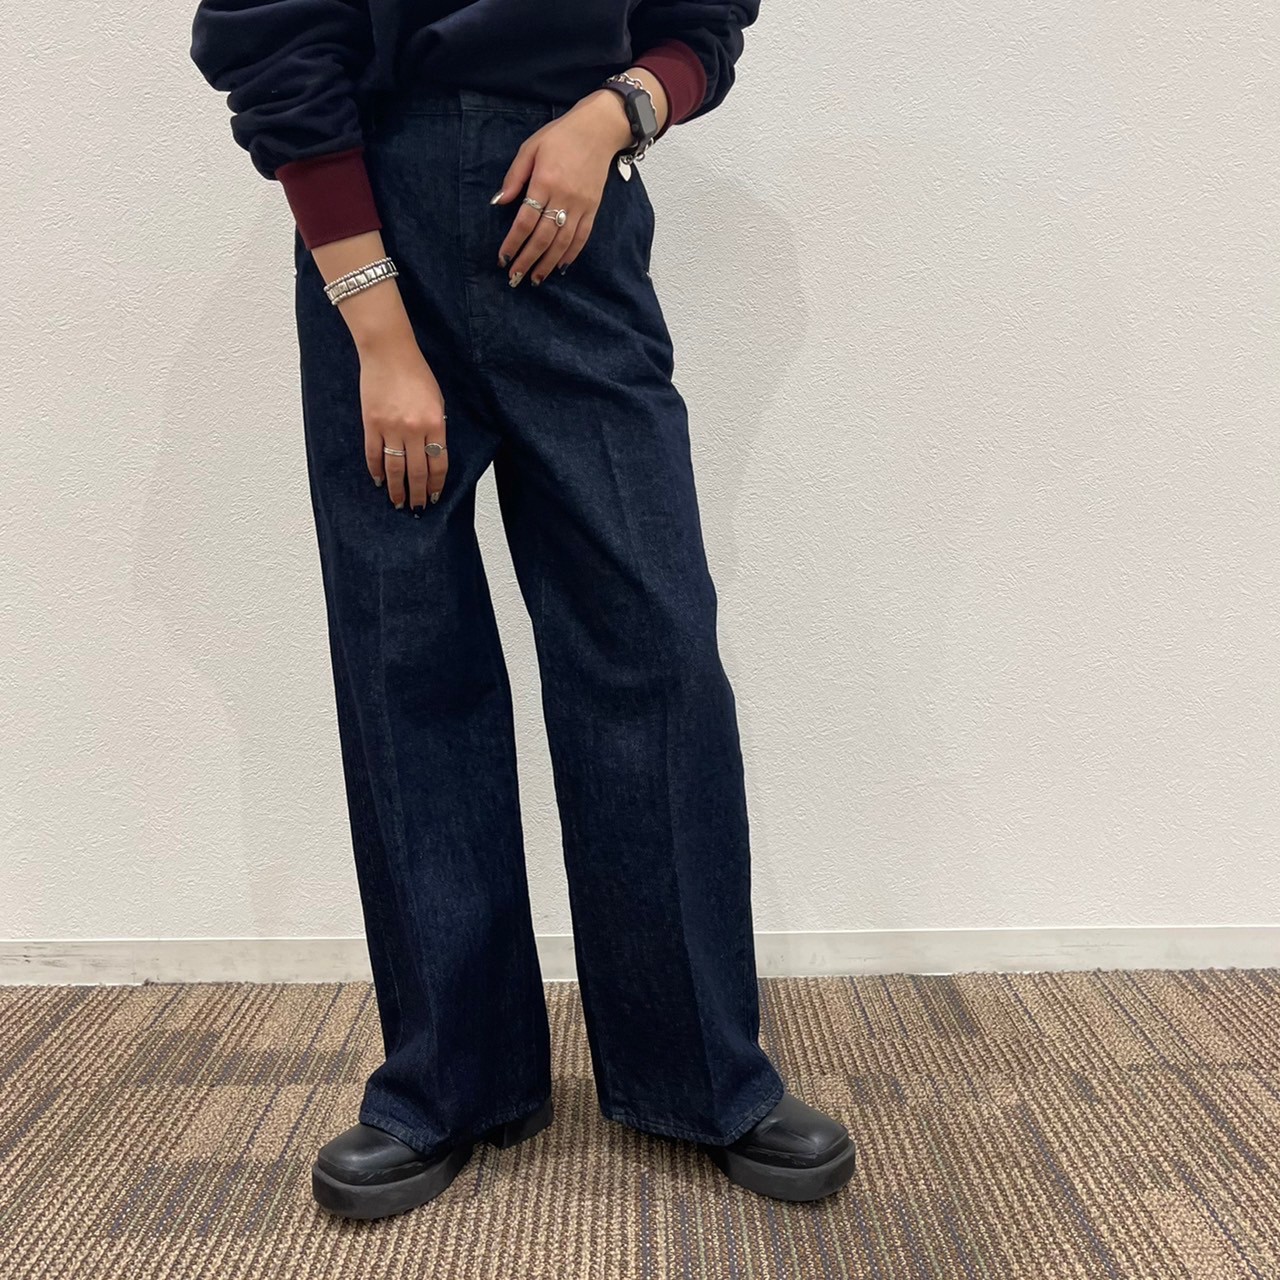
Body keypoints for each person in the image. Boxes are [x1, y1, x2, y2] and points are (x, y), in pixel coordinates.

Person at [189, 0, 857, 1218]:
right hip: (375, 225)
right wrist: (378, 332)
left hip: (577, 227)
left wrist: (614, 114)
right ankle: (448, 1079)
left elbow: (700, 24)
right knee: (407, 658)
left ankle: (702, 1069)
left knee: (652, 646)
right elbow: (272, 37)